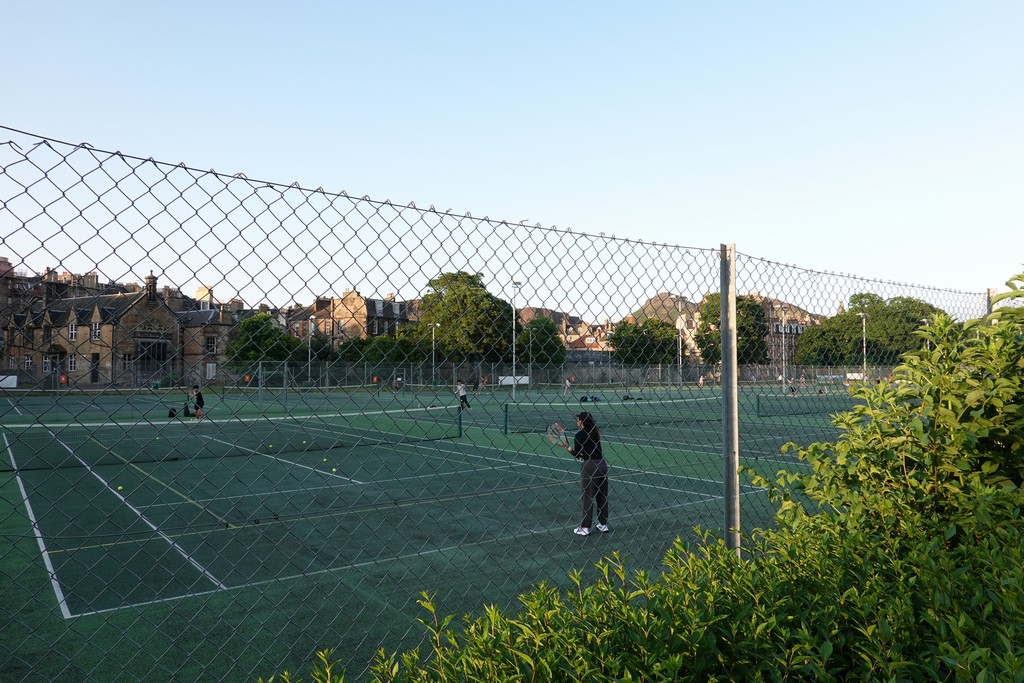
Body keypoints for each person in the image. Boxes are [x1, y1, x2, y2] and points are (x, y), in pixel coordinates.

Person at [565, 411, 609, 536]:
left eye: (578, 419)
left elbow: (579, 455)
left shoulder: (579, 436)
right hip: (602, 465)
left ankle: (585, 527)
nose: (576, 421)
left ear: (581, 422)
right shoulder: (595, 433)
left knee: (588, 497)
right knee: (602, 496)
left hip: (590, 466)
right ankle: (603, 524)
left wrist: (570, 451)